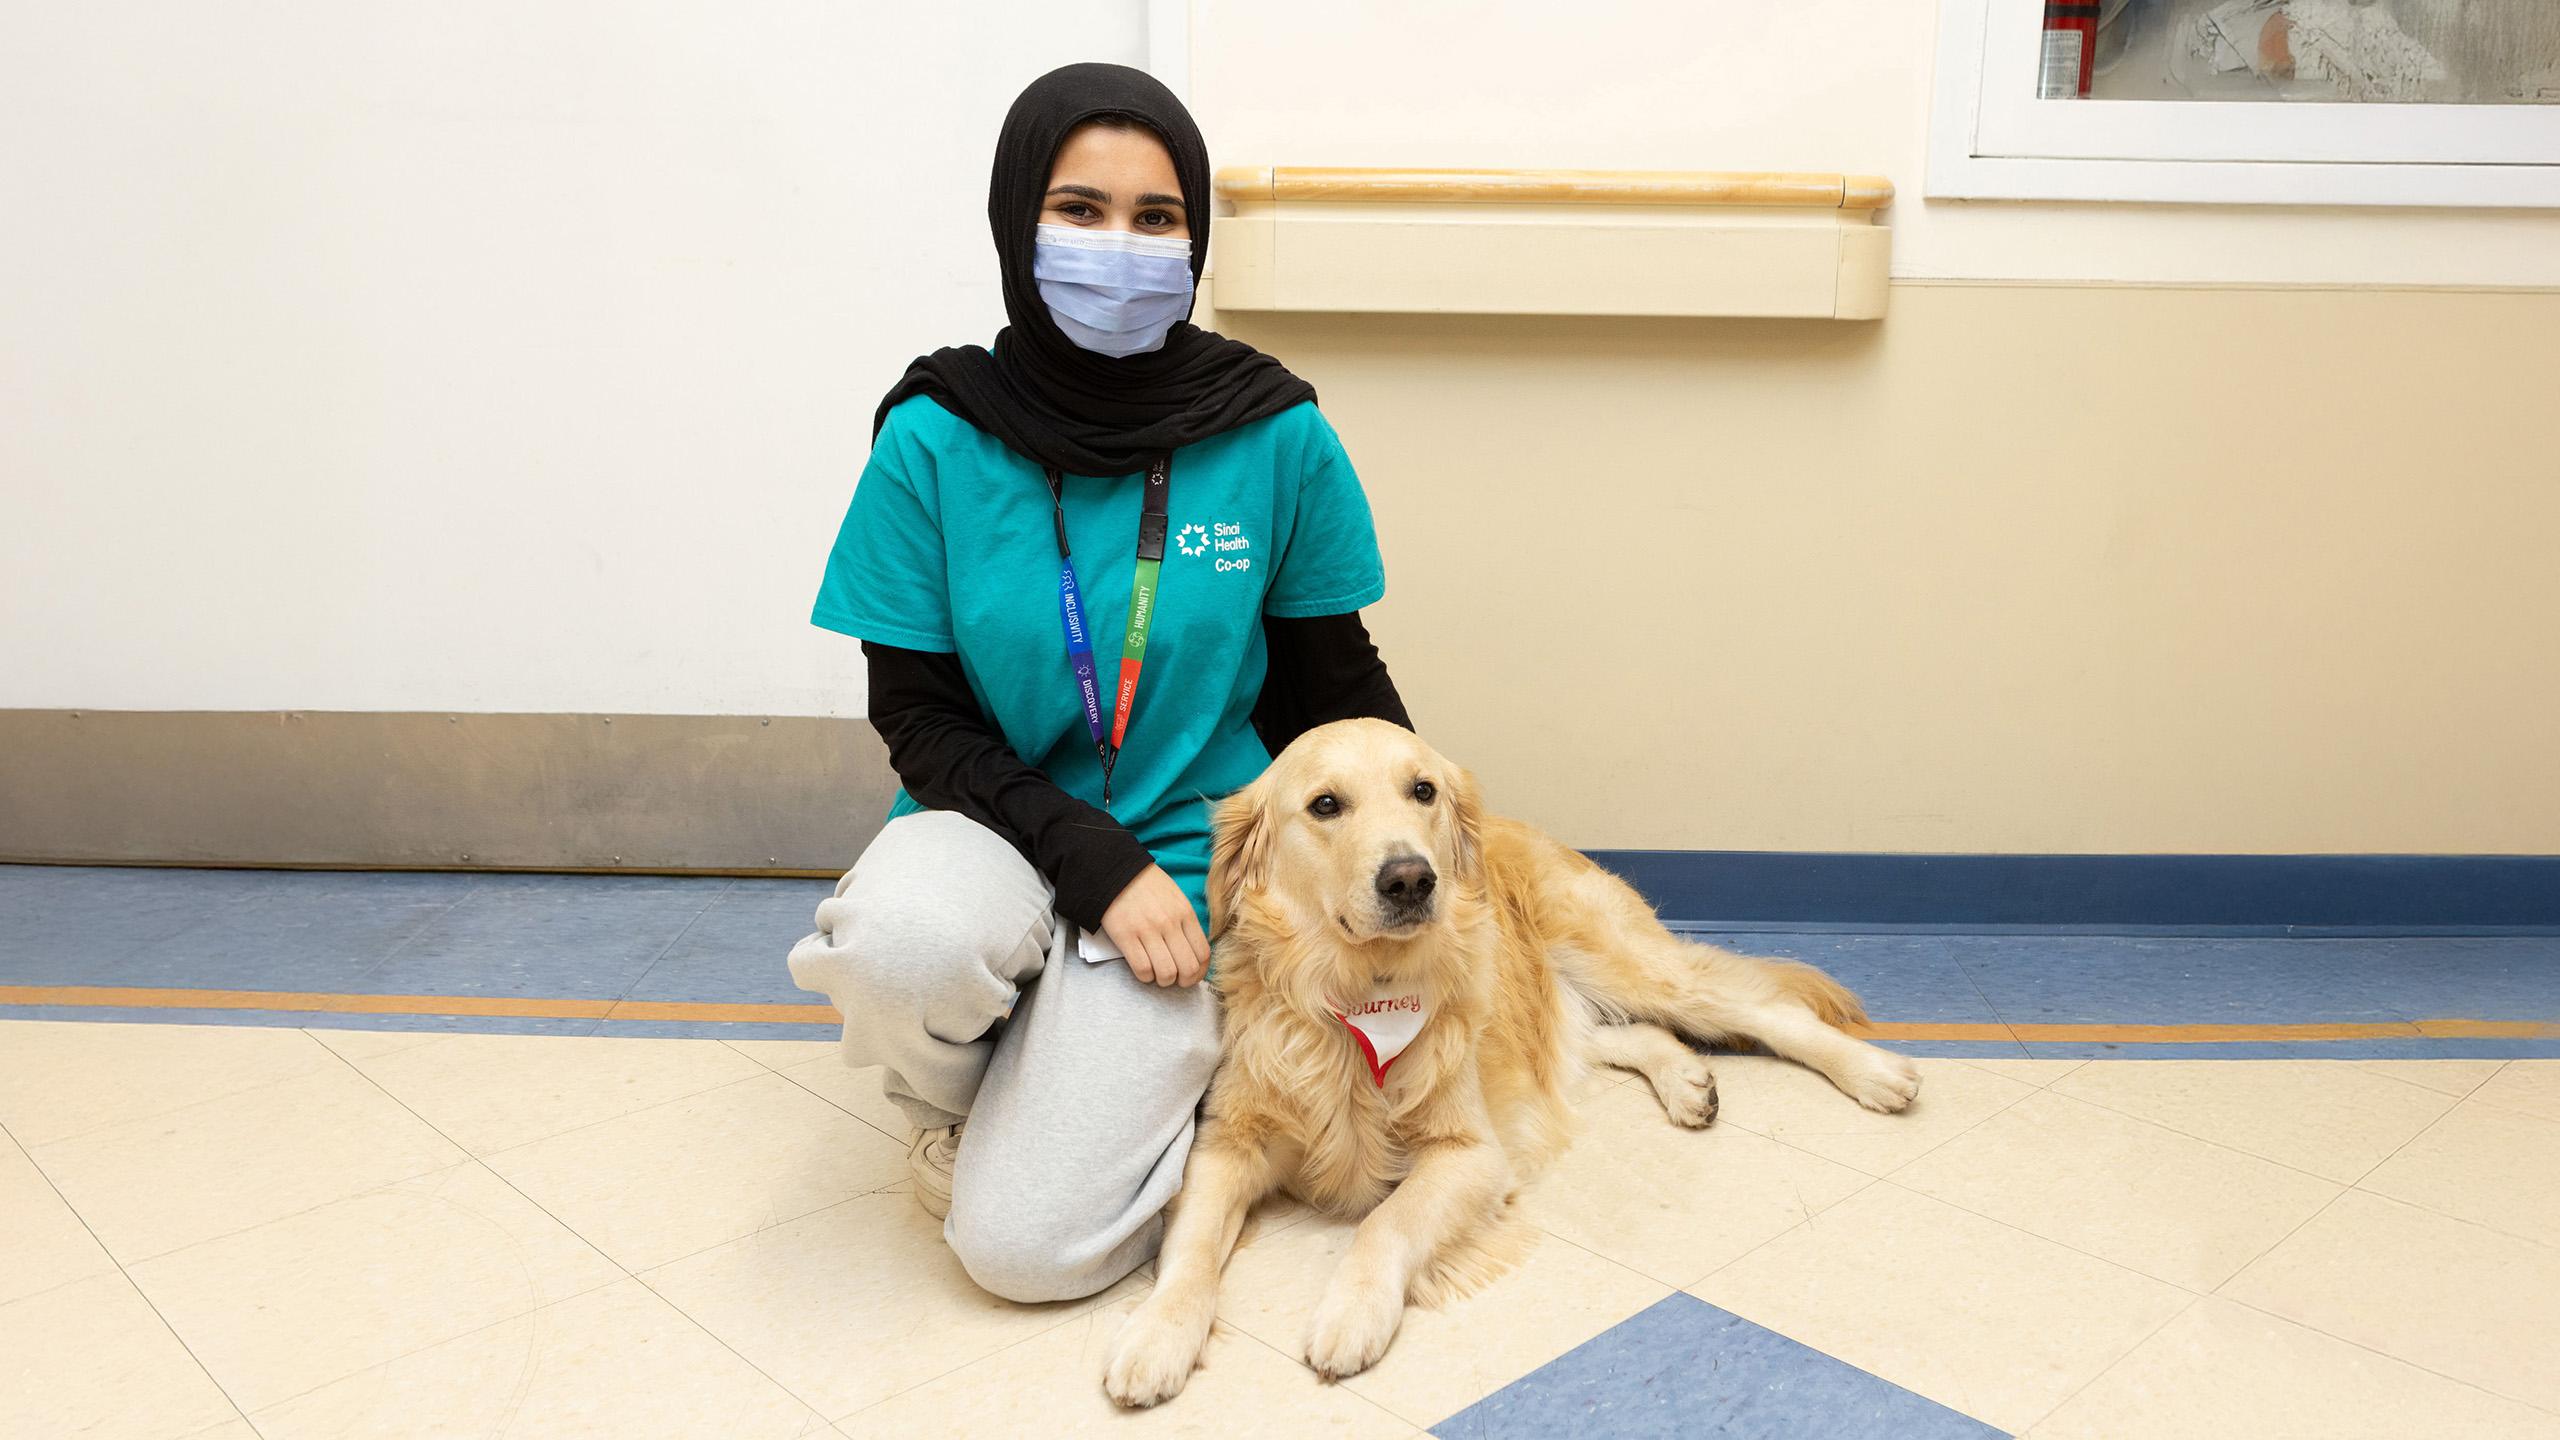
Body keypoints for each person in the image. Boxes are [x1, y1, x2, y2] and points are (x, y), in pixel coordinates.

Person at [787, 61, 1410, 1304]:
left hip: (1195, 858)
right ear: (1018, 222)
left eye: (1156, 218)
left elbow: (1332, 690)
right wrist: (1084, 852)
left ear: (1195, 240)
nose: (1117, 247)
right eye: (1078, 211)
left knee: (1025, 1257)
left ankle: (1089, 1068)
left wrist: (1412, 875)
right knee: (901, 946)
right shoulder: (934, 432)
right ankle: (975, 1088)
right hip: (996, 824)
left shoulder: (1274, 430)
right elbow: (915, 714)